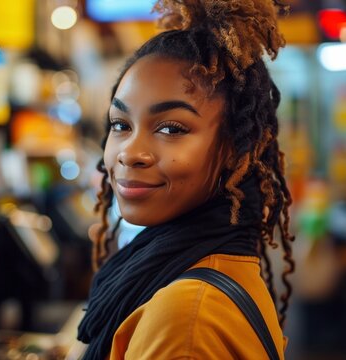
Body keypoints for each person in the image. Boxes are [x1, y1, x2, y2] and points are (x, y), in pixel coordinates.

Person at [77, 0, 295, 359]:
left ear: (235, 150)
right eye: (121, 125)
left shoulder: (185, 317)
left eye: (170, 128)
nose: (130, 153)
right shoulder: (187, 272)